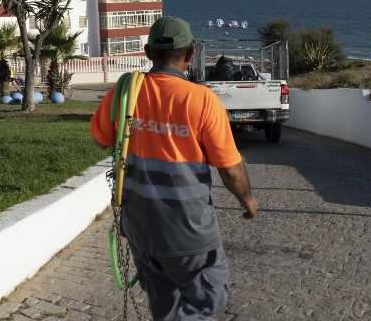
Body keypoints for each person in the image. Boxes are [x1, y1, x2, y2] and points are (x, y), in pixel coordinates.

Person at [90, 16, 257, 321]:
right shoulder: (202, 100)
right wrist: (247, 199)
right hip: (188, 234)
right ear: (190, 54)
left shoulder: (124, 92)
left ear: (147, 52)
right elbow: (230, 170)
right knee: (209, 303)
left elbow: (102, 141)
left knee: (165, 309)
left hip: (140, 230)